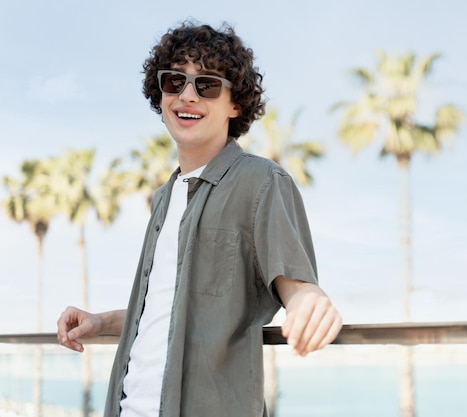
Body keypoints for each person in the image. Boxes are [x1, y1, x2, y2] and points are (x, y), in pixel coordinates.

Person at [57, 21, 342, 417]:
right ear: (161, 96)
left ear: (235, 103)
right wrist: (99, 320)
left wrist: (308, 299)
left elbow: (295, 285)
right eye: (175, 82)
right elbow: (173, 307)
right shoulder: (163, 197)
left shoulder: (261, 181)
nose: (187, 95)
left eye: (206, 85)